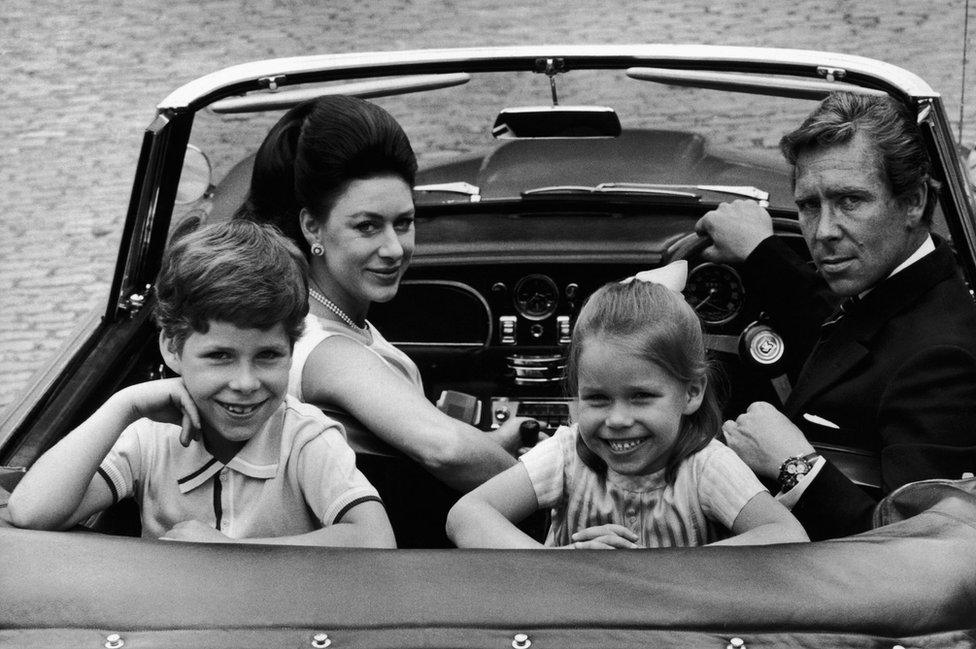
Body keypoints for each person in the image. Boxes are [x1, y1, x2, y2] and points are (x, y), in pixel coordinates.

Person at [237, 95, 531, 547]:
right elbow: (443, 449)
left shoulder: (329, 317)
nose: (394, 248)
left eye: (404, 222)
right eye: (367, 226)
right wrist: (551, 487)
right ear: (313, 227)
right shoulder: (322, 347)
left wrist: (497, 442)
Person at [7, 219, 395, 548]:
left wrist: (229, 553)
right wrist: (123, 404)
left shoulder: (305, 438)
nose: (246, 383)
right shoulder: (149, 438)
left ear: (292, 349)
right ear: (173, 348)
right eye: (220, 356)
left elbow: (376, 539)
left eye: (268, 356)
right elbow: (31, 512)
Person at [695, 92, 976, 540]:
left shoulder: (942, 358)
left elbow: (922, 548)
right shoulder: (896, 288)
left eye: (850, 201)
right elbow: (845, 328)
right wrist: (762, 252)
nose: (823, 232)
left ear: (914, 200)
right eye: (809, 205)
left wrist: (797, 467)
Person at [446, 272, 808, 548]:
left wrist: (666, 568)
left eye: (641, 397)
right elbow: (466, 515)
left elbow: (787, 536)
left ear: (692, 392)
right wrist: (558, 562)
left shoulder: (706, 467)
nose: (617, 420)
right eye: (597, 399)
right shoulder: (566, 455)